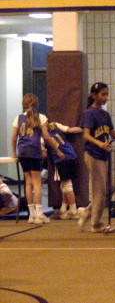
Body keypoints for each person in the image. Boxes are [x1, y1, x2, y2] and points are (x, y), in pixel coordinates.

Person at [11, 93, 64, 224]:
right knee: (37, 182)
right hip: (34, 151)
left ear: (23, 105)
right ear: (37, 105)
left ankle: (31, 215)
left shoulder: (18, 118)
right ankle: (39, 213)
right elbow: (46, 136)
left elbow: (13, 138)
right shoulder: (40, 118)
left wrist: (14, 153)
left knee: (27, 182)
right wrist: (57, 150)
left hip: (22, 151)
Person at [78, 82, 115, 233]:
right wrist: (99, 144)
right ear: (93, 96)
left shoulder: (105, 114)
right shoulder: (89, 113)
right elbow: (86, 135)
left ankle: (87, 211)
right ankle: (95, 224)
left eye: (107, 94)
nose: (106, 97)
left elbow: (114, 134)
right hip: (93, 154)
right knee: (100, 191)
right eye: (103, 94)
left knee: (109, 188)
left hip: (104, 155)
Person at [46, 122, 83, 220]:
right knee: (65, 184)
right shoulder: (55, 125)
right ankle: (63, 209)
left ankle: (73, 211)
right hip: (71, 155)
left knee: (67, 185)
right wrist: (83, 129)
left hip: (61, 159)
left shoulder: (42, 136)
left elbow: (44, 154)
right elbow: (71, 130)